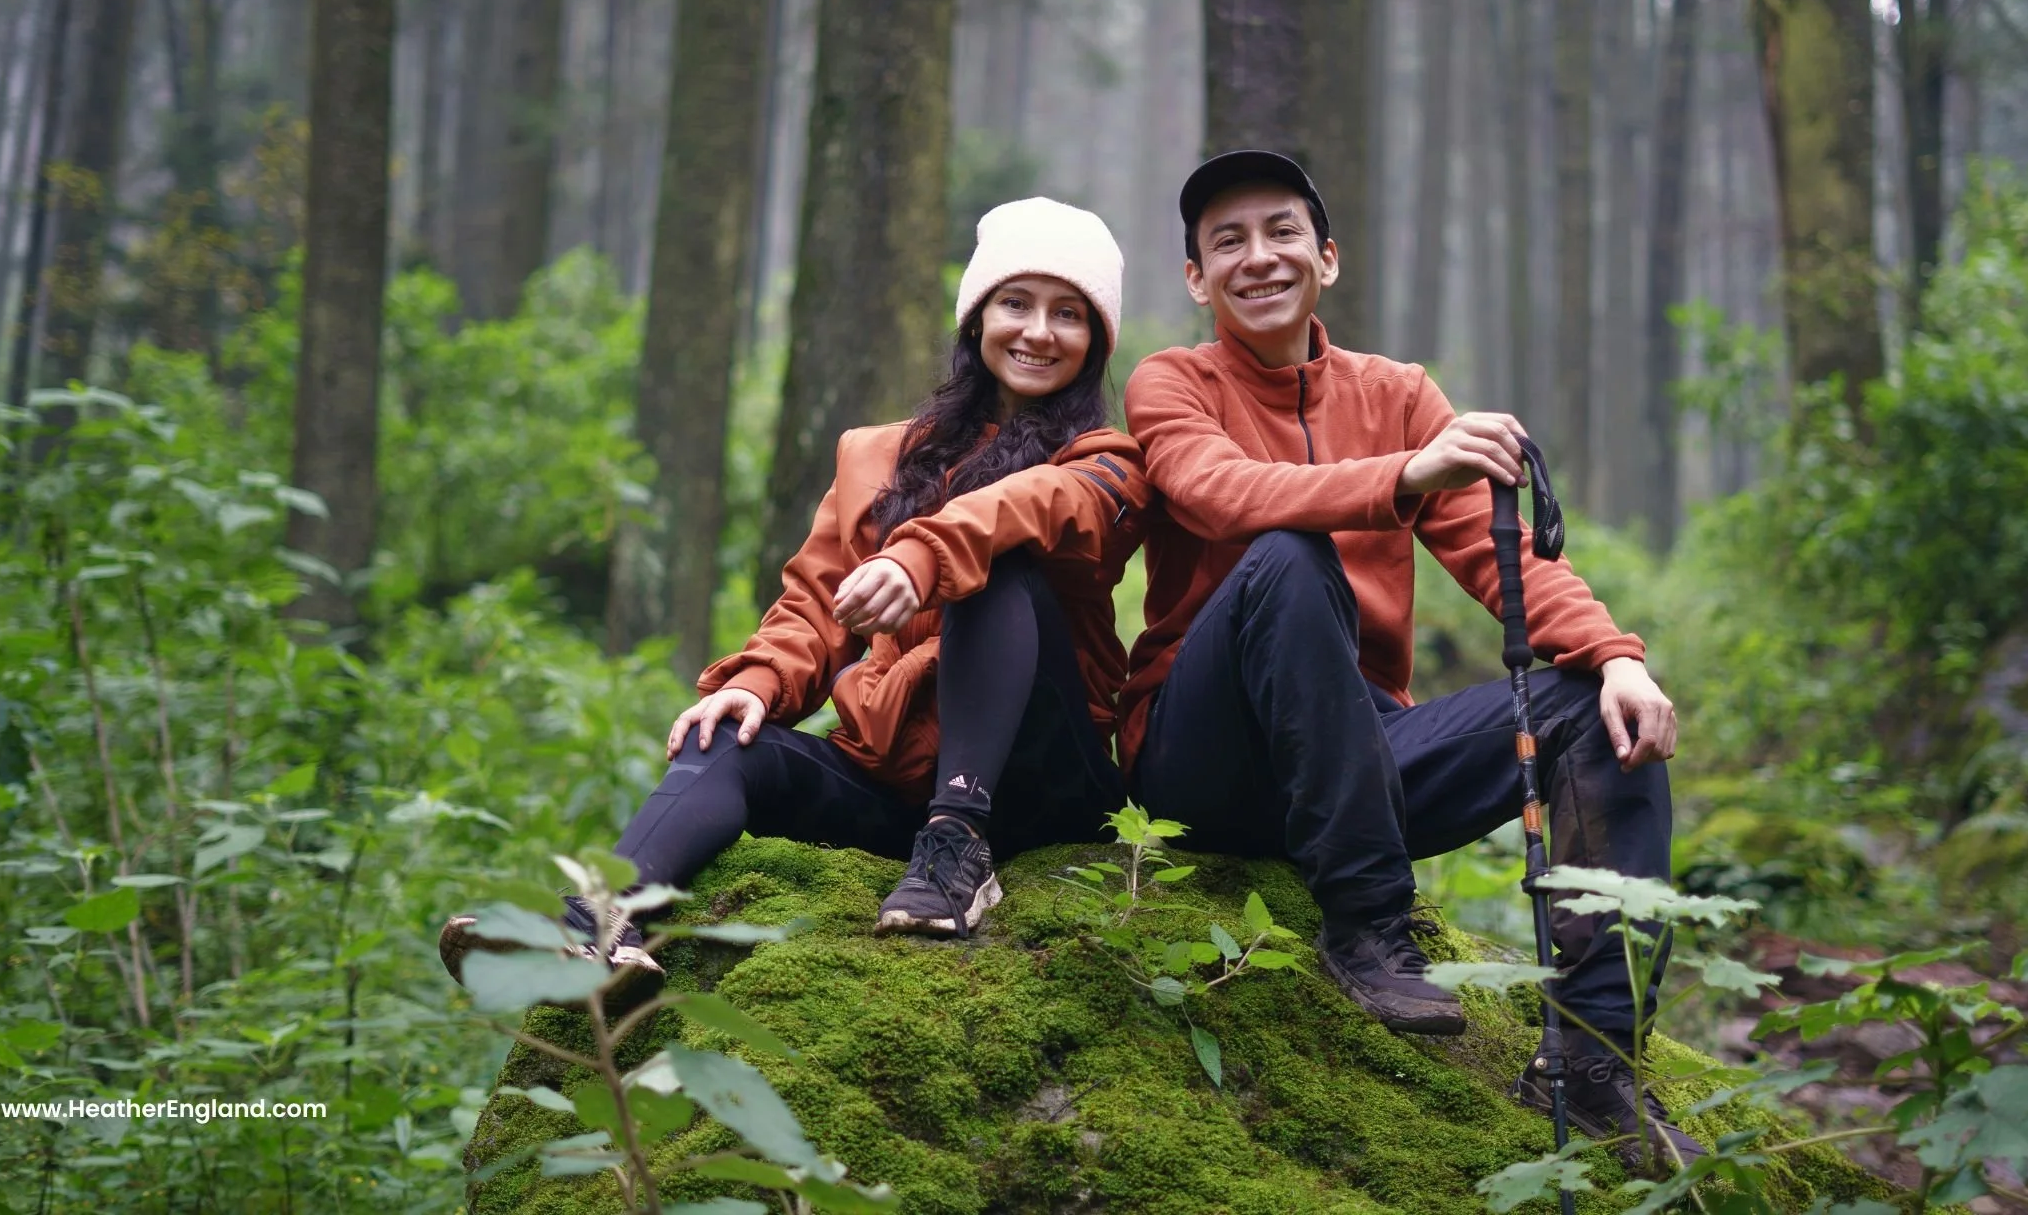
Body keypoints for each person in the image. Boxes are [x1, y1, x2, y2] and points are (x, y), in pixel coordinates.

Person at [1118, 150, 1702, 1167]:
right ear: (1196, 280)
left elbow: (1499, 554)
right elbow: (1221, 492)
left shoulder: (1395, 393)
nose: (1259, 257)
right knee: (1287, 554)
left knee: (1592, 704)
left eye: (1282, 231)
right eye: (1228, 241)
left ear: (1327, 258)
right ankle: (1366, 925)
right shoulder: (1172, 382)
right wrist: (1403, 472)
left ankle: (1594, 1059)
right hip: (1202, 757)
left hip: (1359, 748)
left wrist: (1614, 655)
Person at [440, 197, 1149, 982]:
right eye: (1015, 304)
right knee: (729, 736)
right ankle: (598, 929)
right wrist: (758, 682)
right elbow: (816, 603)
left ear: (1095, 342)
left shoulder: (1109, 463)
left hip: (1045, 781)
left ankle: (961, 843)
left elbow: (1038, 508)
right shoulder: (876, 457)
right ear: (977, 319)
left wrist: (921, 557)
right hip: (898, 780)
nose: (1038, 332)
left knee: (997, 560)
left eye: (1068, 314)